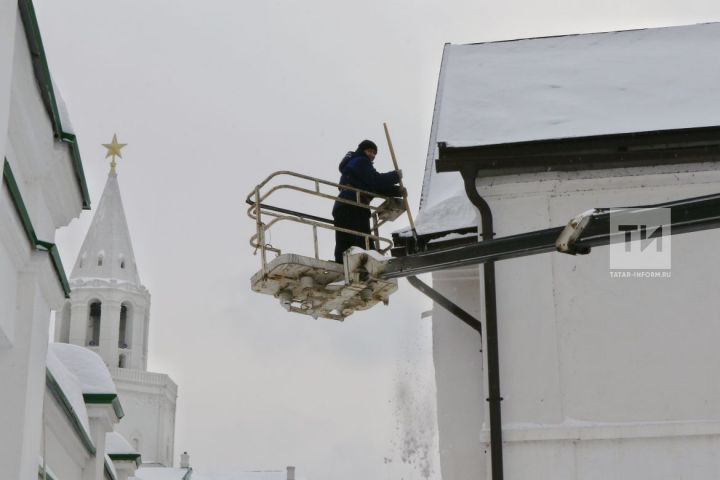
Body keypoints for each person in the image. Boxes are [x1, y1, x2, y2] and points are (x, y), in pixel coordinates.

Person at [332, 139, 404, 263]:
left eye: (374, 153)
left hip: (344, 204)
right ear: (362, 150)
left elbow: (373, 186)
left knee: (345, 241)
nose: (372, 155)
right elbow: (376, 180)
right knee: (362, 242)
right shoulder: (360, 161)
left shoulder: (354, 165)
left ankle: (341, 264)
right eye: (370, 151)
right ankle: (368, 264)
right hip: (354, 205)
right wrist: (395, 176)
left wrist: (397, 191)